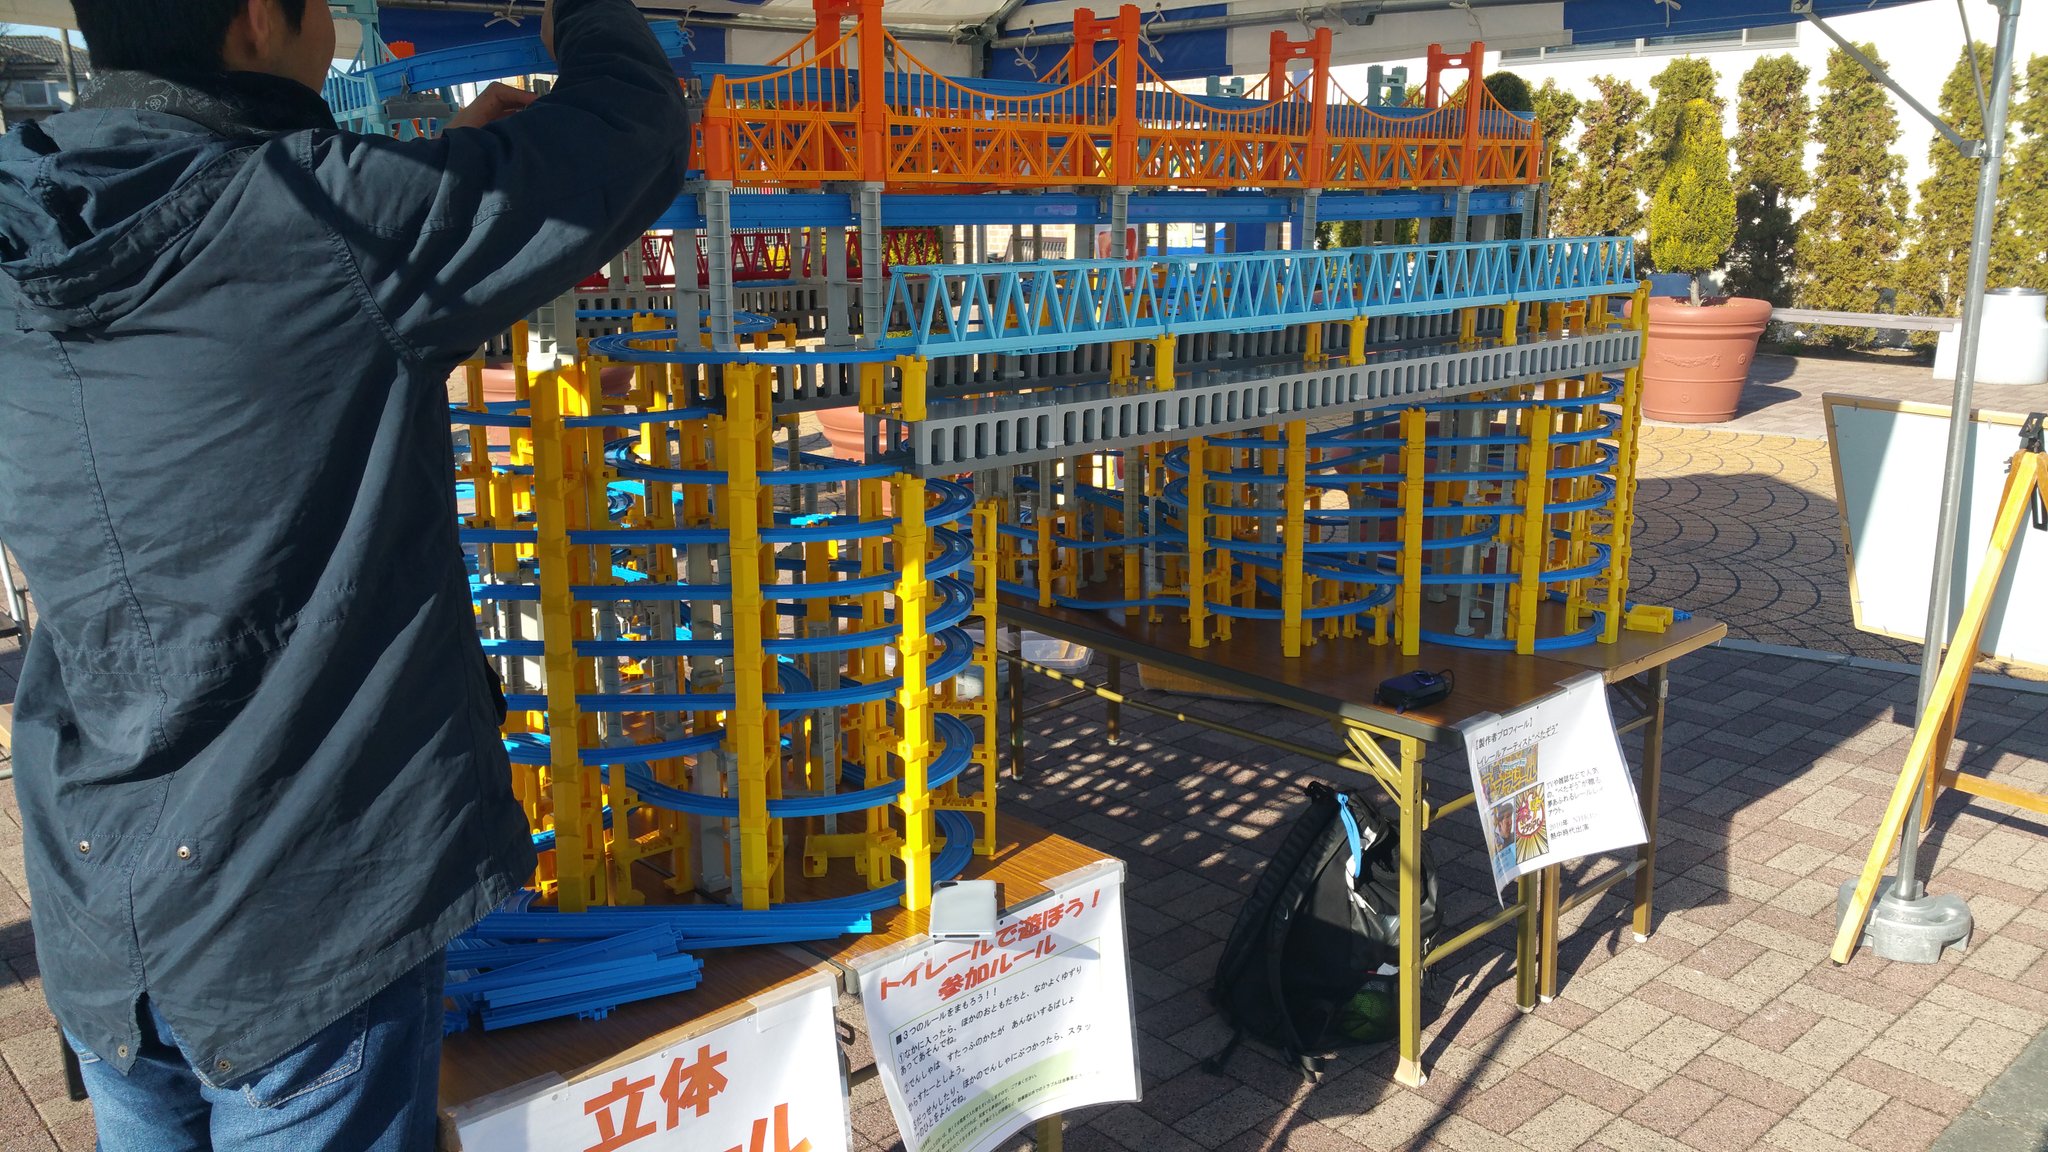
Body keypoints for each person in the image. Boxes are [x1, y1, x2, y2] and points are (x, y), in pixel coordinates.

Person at [0, 0, 687, 1146]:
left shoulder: (24, 230)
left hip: (99, 909)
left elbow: (256, 306)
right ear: (257, 20)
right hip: (299, 922)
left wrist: (420, 188)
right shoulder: (330, 221)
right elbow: (632, 132)